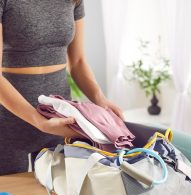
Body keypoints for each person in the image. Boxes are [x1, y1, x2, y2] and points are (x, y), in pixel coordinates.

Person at [0, 0, 123, 175]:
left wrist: (99, 98)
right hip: (9, 119)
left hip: (59, 115)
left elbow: (78, 62)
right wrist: (39, 121)